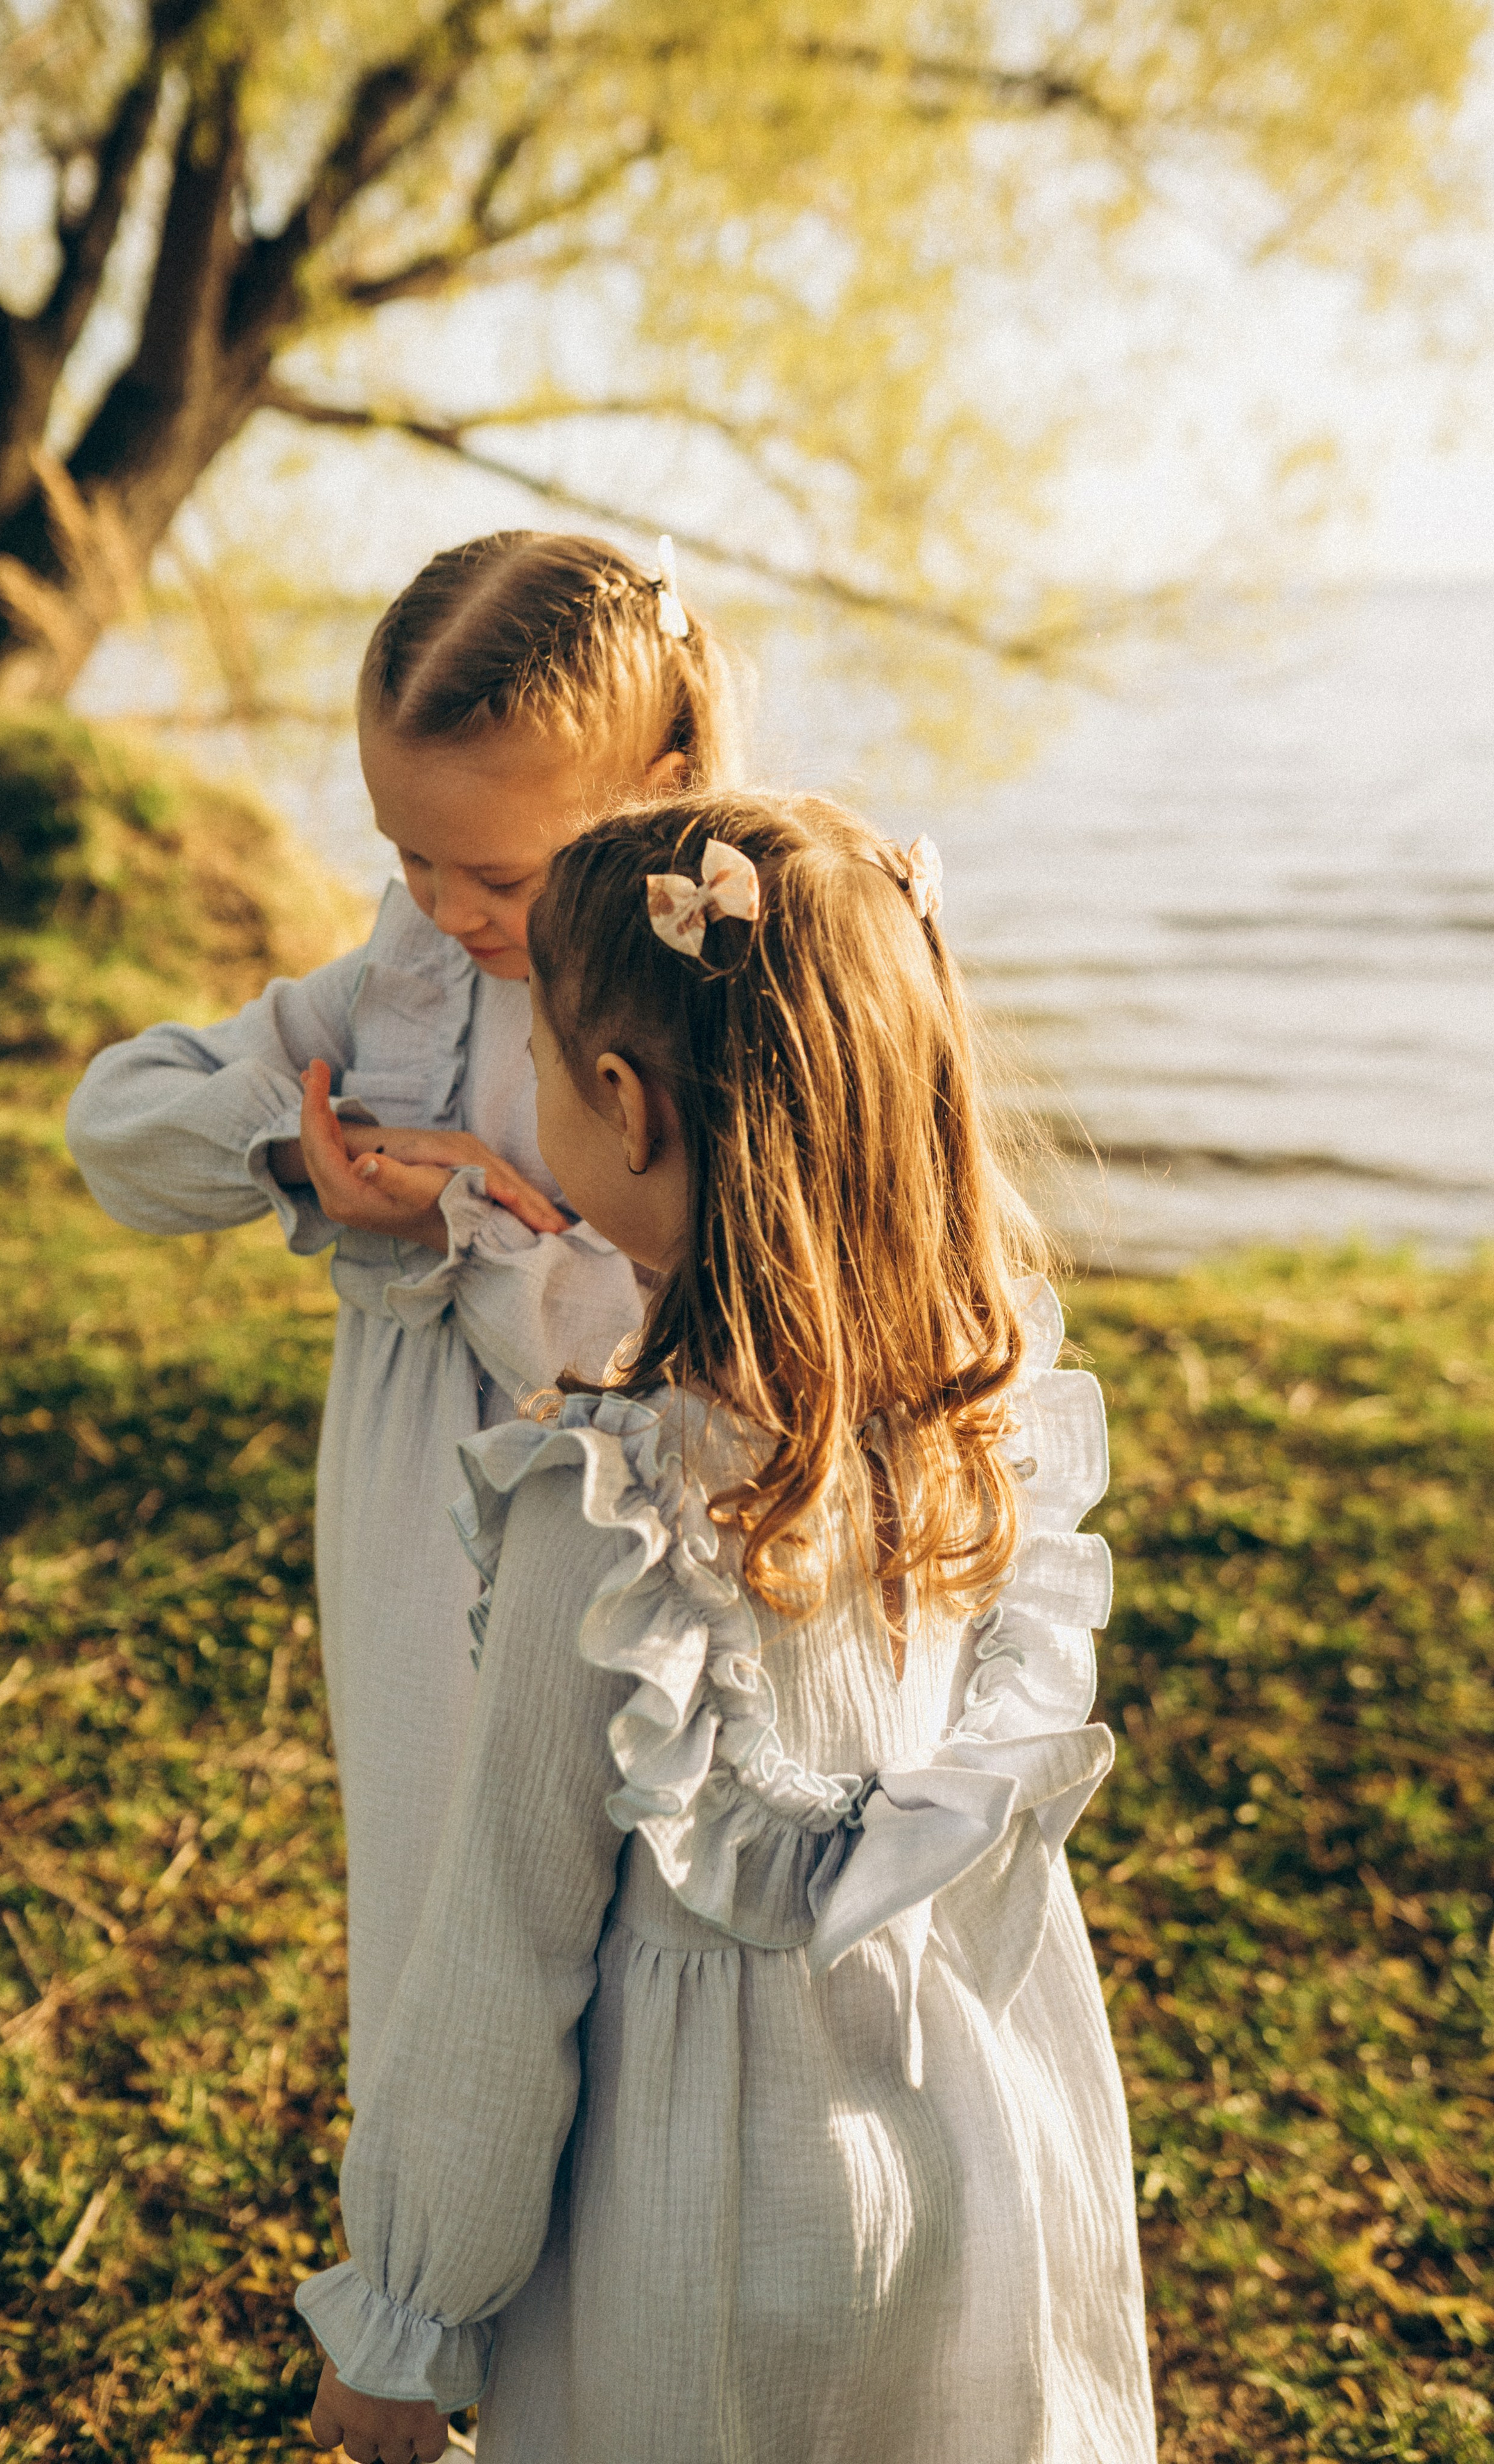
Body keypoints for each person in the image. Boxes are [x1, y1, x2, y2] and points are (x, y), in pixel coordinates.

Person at [295, 791, 1157, 2463]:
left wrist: (407, 2320)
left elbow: (504, 1944)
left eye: (546, 1055)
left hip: (695, 2202)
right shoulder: (980, 1426)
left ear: (621, 1105)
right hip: (971, 2133)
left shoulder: (607, 1518)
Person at [65, 531, 741, 2101]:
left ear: (661, 772)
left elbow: (665, 1366)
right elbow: (116, 1130)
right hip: (401, 1504)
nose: (443, 909)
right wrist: (300, 1141)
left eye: (494, 875)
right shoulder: (400, 989)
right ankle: (435, 2267)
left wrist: (469, 1219)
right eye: (406, 855)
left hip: (615, 1535)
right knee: (436, 1893)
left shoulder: (702, 1006)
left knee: (598, 1916)